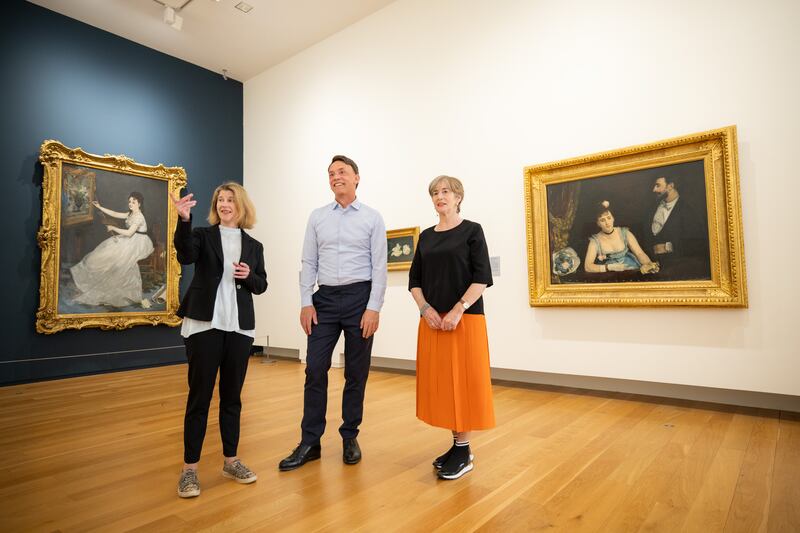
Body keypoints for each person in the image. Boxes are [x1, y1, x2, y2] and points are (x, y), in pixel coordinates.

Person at [278, 155, 387, 471]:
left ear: (356, 177)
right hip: (323, 300)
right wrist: (306, 301)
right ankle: (310, 442)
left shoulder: (372, 218)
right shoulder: (317, 217)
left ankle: (350, 436)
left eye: (342, 171)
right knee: (314, 369)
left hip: (359, 298)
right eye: (330, 173)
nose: (335, 176)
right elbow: (308, 262)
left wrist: (373, 308)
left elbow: (379, 267)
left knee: (356, 372)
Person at [170, 182, 268, 498]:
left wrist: (248, 276)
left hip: (239, 329)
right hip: (204, 325)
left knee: (232, 398)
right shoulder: (202, 235)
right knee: (199, 398)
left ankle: (231, 461)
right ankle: (189, 470)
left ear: (241, 206)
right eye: (220, 200)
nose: (224, 204)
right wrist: (184, 220)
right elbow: (185, 255)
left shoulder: (254, 245)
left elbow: (261, 284)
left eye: (230, 199)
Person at [408, 175, 495, 480]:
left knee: (465, 384)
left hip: (465, 320)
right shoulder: (426, 237)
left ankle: (463, 450)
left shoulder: (472, 231)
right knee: (445, 384)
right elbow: (414, 281)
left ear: (458, 197)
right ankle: (458, 446)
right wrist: (425, 309)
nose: (439, 196)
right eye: (435, 192)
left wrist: (458, 309)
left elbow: (482, 277)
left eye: (446, 191)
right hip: (433, 321)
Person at [69, 192, 154, 307]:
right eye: (129, 201)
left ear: (139, 204)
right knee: (105, 253)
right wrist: (100, 207)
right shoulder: (131, 213)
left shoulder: (139, 217)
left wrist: (113, 227)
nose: (130, 204)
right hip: (131, 239)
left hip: (139, 242)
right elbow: (114, 213)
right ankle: (94, 282)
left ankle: (109, 287)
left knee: (117, 259)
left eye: (133, 202)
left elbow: (129, 233)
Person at [640, 176, 710, 279]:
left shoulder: (688, 210)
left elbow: (698, 245)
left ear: (670, 186)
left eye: (658, 186)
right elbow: (644, 237)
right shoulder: (651, 209)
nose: (654, 190)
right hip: (651, 268)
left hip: (677, 269)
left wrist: (668, 247)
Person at [584, 200, 657, 273]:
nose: (607, 222)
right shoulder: (595, 240)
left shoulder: (624, 233)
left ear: (613, 218)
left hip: (629, 267)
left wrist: (649, 264)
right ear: (598, 223)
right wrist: (610, 267)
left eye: (609, 218)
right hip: (608, 273)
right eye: (602, 220)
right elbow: (587, 267)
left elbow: (639, 253)